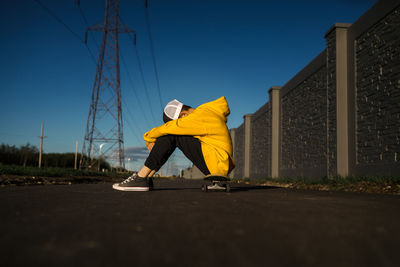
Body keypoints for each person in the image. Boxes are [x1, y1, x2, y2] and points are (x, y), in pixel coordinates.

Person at [112, 96, 235, 191]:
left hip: (217, 163)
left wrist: (148, 137)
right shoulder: (203, 114)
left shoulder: (201, 116)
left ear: (184, 115)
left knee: (171, 133)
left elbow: (171, 127)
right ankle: (146, 178)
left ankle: (141, 177)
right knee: (171, 133)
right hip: (216, 160)